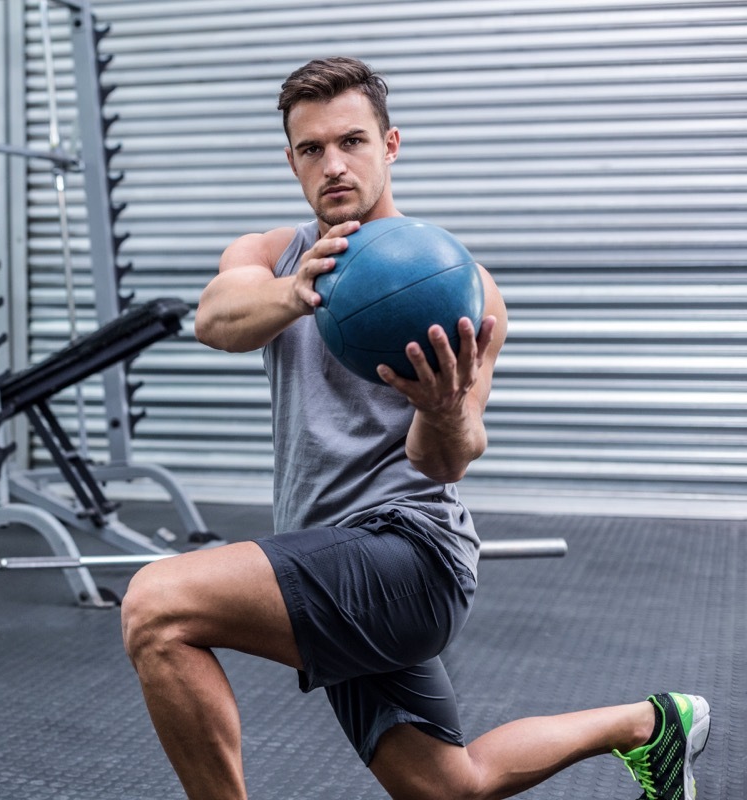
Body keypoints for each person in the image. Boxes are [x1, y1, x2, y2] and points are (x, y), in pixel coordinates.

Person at [119, 56, 710, 800]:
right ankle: (651, 725)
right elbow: (216, 321)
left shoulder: (458, 284)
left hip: (411, 553)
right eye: (311, 149)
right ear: (291, 160)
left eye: (353, 142)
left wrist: (441, 410)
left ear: (389, 145)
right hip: (329, 552)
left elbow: (449, 460)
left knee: (157, 606)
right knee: (447, 786)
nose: (333, 164)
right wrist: (297, 293)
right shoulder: (270, 257)